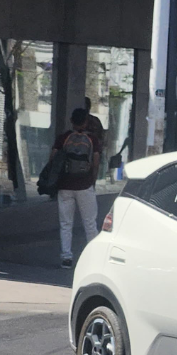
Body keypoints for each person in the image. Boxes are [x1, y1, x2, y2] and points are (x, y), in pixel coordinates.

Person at [50, 108, 101, 268]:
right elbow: (96, 162)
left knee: (66, 223)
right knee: (90, 223)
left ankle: (66, 257)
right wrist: (92, 180)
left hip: (65, 186)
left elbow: (53, 159)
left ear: (71, 121)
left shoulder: (63, 138)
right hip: (84, 185)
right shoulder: (92, 139)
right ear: (86, 122)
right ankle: (94, 258)